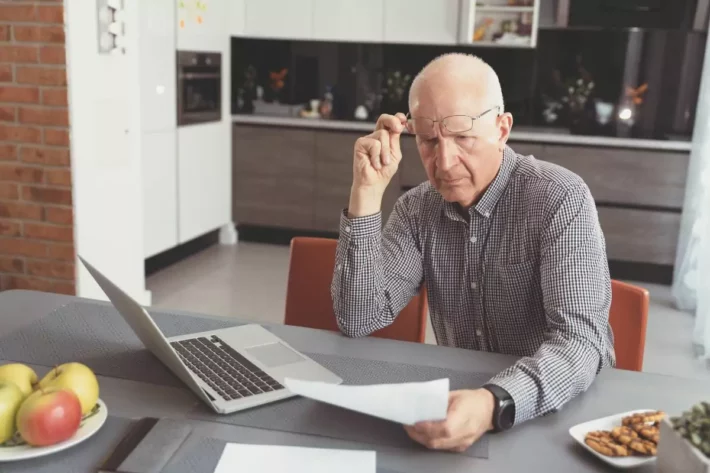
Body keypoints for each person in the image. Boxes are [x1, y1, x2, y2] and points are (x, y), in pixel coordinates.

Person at [330, 53, 615, 452]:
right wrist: (366, 192)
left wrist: (492, 402)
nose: (443, 163)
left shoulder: (559, 198)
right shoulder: (417, 208)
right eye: (429, 140)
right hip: (457, 410)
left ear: (502, 129)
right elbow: (358, 318)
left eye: (463, 136)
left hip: (551, 411)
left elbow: (582, 342)